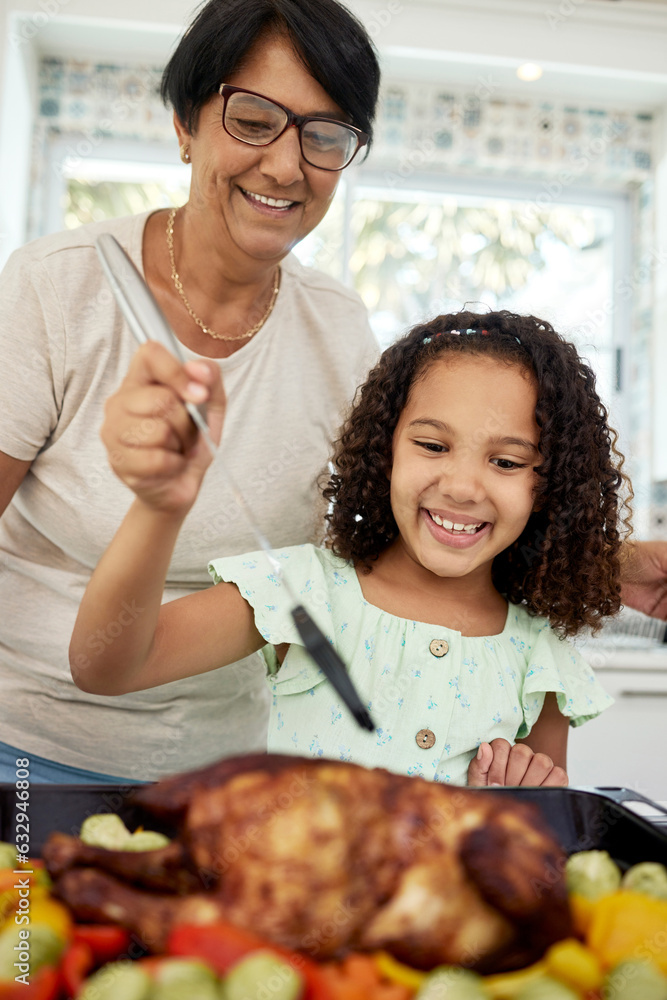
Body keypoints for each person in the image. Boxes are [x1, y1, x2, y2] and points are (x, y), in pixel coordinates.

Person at [0, 0, 381, 783]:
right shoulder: (55, 286)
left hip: (222, 771)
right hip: (25, 749)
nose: (286, 166)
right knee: (32, 916)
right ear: (184, 124)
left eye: (325, 134)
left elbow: (405, 536)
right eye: (251, 119)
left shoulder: (341, 335)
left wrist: (604, 563)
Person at [70, 310, 626, 787]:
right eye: (432, 445)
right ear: (386, 451)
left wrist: (517, 807)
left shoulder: (540, 662)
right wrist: (159, 507)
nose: (461, 486)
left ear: (550, 485)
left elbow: (542, 846)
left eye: (505, 462)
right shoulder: (300, 591)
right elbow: (107, 664)